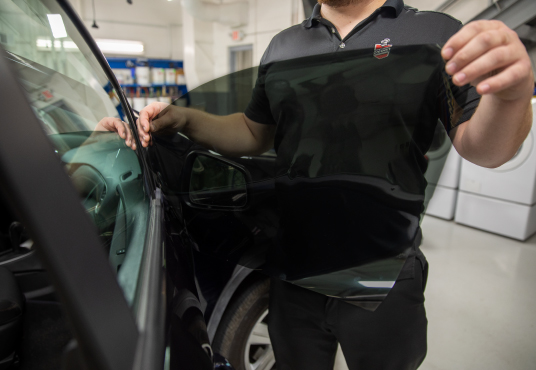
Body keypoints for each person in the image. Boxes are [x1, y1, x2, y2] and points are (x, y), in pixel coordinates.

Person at [98, 1, 534, 369]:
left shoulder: (433, 32)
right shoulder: (285, 45)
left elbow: (484, 148)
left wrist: (511, 96)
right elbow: (253, 132)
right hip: (294, 273)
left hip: (382, 274)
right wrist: (185, 118)